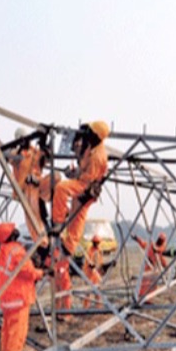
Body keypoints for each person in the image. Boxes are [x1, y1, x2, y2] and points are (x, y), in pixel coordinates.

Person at [50, 121, 109, 319]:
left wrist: (76, 178)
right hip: (82, 184)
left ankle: (58, 222)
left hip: (86, 188)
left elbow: (88, 179)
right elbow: (81, 171)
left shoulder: (99, 156)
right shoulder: (89, 147)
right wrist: (73, 172)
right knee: (76, 215)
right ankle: (68, 242)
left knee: (61, 189)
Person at [0, 222, 44, 351]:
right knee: (18, 330)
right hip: (19, 297)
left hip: (7, 297)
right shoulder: (17, 250)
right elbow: (28, 271)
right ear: (12, 235)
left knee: (7, 329)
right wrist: (41, 272)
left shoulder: (3, 251)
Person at [7, 128, 45, 241]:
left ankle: (44, 233)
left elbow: (44, 158)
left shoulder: (35, 152)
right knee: (31, 215)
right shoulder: (17, 154)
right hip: (24, 189)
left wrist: (44, 142)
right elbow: (8, 156)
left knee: (41, 211)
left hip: (37, 185)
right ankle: (39, 238)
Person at [82, 235, 104, 308]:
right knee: (88, 291)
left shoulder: (99, 251)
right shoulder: (90, 251)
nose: (96, 244)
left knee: (98, 291)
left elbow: (100, 263)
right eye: (95, 242)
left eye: (97, 242)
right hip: (89, 274)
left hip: (96, 274)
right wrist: (92, 265)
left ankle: (98, 306)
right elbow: (89, 263)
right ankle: (86, 307)